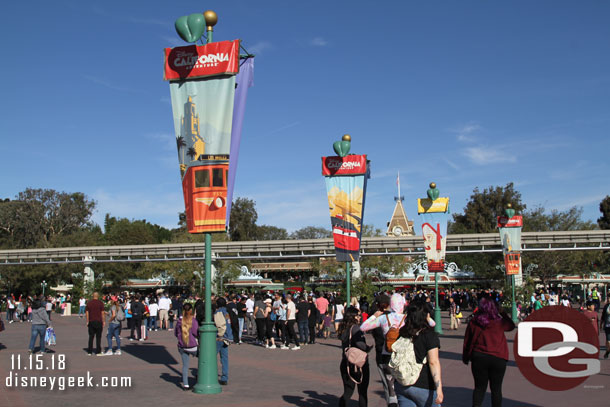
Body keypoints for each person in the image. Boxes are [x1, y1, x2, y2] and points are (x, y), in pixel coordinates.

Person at [462, 297, 514, 407]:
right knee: (496, 389)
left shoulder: (474, 322)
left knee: (479, 388)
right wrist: (503, 313)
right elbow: (511, 326)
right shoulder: (499, 322)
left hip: (479, 356)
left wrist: (466, 357)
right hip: (498, 356)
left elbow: (468, 340)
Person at [393, 300, 443, 407]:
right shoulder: (429, 335)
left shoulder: (403, 332)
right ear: (427, 315)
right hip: (423, 385)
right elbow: (433, 362)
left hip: (402, 383)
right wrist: (439, 389)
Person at [360, 293, 405, 407]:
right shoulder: (406, 318)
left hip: (385, 353)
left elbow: (363, 327)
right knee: (403, 383)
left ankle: (392, 402)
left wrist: (374, 316)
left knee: (389, 386)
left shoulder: (383, 319)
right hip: (402, 355)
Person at [338, 306, 371, 407]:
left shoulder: (342, 327)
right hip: (358, 363)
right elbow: (360, 344)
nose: (359, 317)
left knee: (348, 391)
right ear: (353, 316)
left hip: (346, 361)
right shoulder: (355, 328)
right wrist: (367, 348)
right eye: (358, 315)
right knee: (362, 391)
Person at [174, 303, 198, 390]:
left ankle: (186, 384)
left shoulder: (179, 321)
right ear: (191, 310)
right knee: (203, 357)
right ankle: (199, 374)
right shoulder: (193, 320)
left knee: (185, 365)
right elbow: (196, 332)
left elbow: (176, 333)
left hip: (182, 345)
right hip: (192, 345)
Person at [214, 297, 231, 385]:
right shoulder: (226, 312)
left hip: (219, 337)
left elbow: (219, 325)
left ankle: (212, 374)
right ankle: (225, 377)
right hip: (226, 338)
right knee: (224, 358)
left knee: (212, 357)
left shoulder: (218, 312)